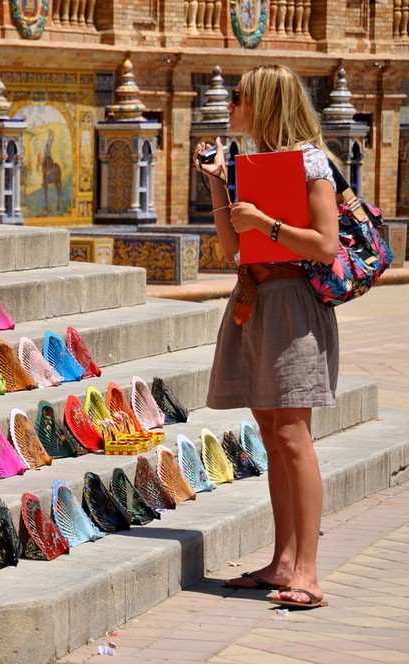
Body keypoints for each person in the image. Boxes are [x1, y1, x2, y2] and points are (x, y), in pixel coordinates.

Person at [194, 64, 339, 609]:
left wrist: (266, 224)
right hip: (253, 297)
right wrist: (216, 182)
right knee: (272, 434)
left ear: (266, 102)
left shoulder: (310, 161)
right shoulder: (251, 164)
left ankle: (309, 572)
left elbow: (326, 246)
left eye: (238, 95)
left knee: (294, 436)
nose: (230, 102)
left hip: (294, 306)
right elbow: (233, 248)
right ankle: (282, 563)